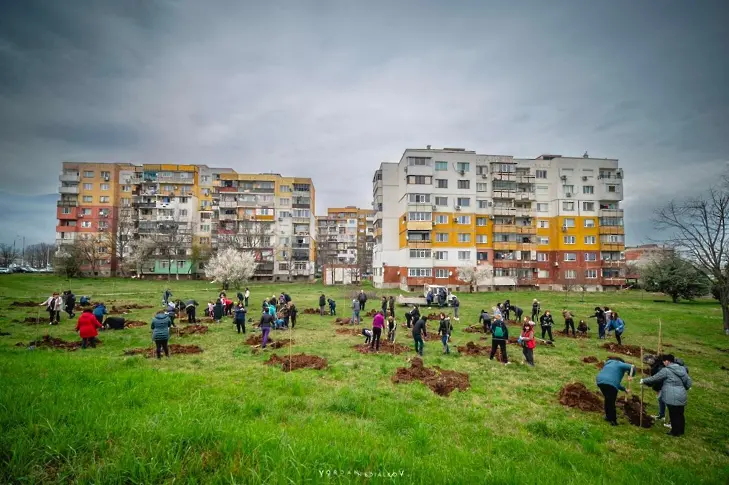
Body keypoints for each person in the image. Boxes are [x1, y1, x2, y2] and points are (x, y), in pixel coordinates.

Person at [641, 355, 692, 437]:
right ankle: (681, 430)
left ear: (668, 361)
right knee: (680, 413)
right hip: (682, 394)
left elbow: (655, 378)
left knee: (673, 414)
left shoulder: (666, 370)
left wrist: (644, 380)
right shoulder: (682, 369)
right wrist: (683, 388)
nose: (663, 363)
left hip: (671, 396)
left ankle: (674, 432)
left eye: (664, 361)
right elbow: (688, 383)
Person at [596, 357, 635, 426]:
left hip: (600, 381)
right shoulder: (620, 364)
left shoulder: (608, 363)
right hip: (610, 384)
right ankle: (613, 420)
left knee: (608, 399)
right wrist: (630, 375)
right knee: (611, 402)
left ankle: (608, 417)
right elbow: (632, 367)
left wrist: (624, 389)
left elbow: (614, 382)